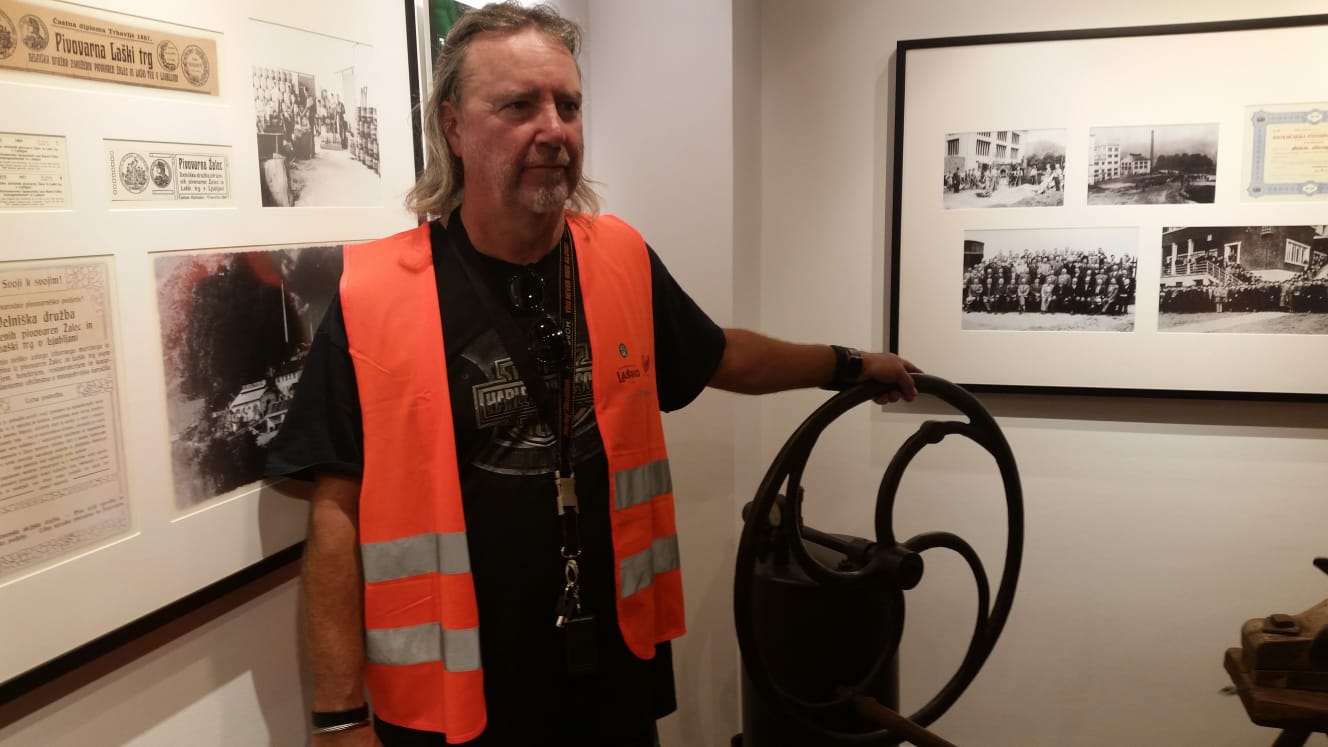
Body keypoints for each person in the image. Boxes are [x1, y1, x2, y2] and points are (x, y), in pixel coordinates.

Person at [264, 4, 918, 746]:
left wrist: (848, 365)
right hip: (457, 695)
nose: (555, 129)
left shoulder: (618, 257)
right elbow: (336, 510)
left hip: (608, 671)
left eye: (568, 105)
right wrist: (339, 716)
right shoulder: (376, 292)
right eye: (518, 106)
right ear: (453, 127)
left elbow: (719, 356)